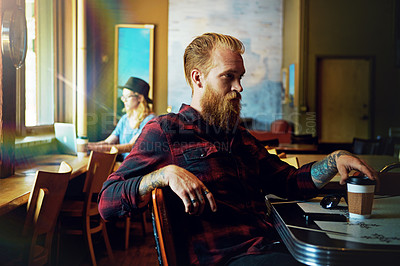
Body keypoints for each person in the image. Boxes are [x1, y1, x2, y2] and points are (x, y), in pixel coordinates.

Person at [98, 33, 378, 265]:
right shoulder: (166, 131)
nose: (239, 87)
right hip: (227, 258)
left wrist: (334, 159)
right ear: (198, 79)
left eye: (240, 76)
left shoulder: (237, 135)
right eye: (228, 77)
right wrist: (162, 175)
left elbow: (290, 182)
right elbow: (107, 202)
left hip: (270, 246)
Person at [88, 76, 155, 160]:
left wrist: (93, 148)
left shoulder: (150, 120)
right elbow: (108, 142)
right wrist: (88, 145)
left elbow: (131, 147)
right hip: (125, 164)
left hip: (139, 166)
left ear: (140, 98)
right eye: (123, 97)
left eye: (128, 97)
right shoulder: (124, 119)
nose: (124, 100)